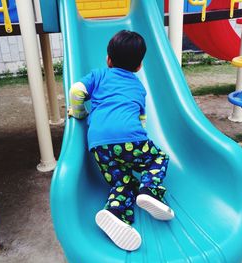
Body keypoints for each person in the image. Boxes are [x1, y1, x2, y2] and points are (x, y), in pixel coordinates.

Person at [68, 30, 174, 251]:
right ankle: (149, 189)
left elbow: (76, 91)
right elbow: (141, 121)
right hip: (131, 141)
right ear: (139, 66)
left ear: (108, 59)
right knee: (159, 158)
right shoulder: (138, 87)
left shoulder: (98, 75)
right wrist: (135, 144)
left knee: (122, 180)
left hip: (98, 145)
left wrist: (79, 113)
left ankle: (114, 212)